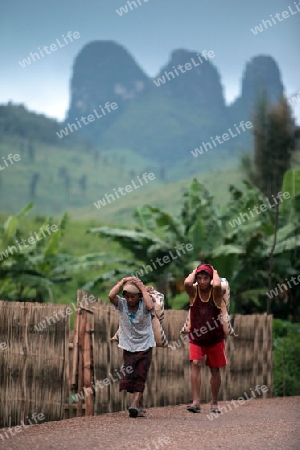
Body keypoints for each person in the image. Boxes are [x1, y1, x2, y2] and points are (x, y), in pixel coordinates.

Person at [108, 276, 156, 418]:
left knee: (141, 374)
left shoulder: (145, 304)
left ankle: (134, 405)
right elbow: (111, 295)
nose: (130, 299)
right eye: (127, 296)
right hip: (128, 346)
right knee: (130, 375)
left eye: (133, 297)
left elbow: (150, 307)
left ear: (139, 296)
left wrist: (141, 287)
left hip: (145, 345)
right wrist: (121, 282)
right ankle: (140, 406)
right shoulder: (121, 304)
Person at [184, 263, 227, 414]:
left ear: (210, 279)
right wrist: (195, 271)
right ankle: (196, 402)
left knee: (214, 370)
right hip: (196, 338)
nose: (202, 281)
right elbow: (187, 282)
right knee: (195, 364)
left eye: (205, 278)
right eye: (199, 278)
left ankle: (214, 402)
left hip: (215, 338)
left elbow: (217, 284)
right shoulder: (193, 292)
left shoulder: (216, 293)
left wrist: (214, 272)